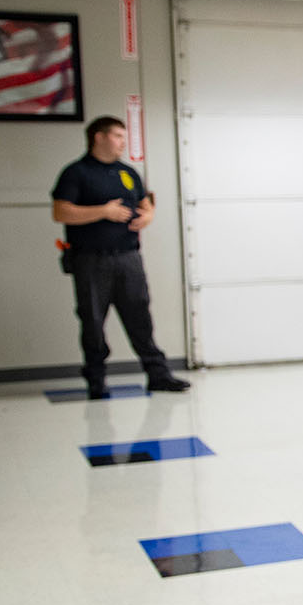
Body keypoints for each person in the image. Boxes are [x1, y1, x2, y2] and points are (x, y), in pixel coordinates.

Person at [49, 116, 189, 398]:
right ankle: (96, 379)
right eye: (117, 136)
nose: (122, 142)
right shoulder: (76, 173)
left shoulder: (127, 173)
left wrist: (147, 216)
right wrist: (103, 212)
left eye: (124, 137)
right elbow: (61, 212)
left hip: (128, 258)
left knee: (140, 317)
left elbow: (146, 203)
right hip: (91, 260)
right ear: (98, 137)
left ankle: (158, 375)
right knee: (93, 322)